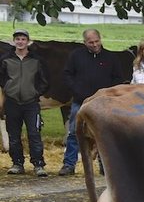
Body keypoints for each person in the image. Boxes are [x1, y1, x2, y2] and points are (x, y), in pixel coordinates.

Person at [59, 28, 126, 175]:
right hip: (80, 101)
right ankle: (69, 164)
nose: (95, 45)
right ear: (84, 42)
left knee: (104, 134)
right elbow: (67, 75)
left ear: (100, 39)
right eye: (91, 43)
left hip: (103, 103)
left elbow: (118, 78)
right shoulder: (76, 56)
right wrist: (77, 91)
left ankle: (105, 166)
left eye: (97, 41)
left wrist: (106, 93)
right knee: (74, 132)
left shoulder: (110, 57)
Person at [1, 30, 49, 177]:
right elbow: (1, 78)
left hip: (31, 104)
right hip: (12, 102)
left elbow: (45, 81)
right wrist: (9, 89)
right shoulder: (5, 60)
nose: (20, 42)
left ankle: (38, 164)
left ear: (28, 41)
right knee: (14, 135)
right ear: (13, 41)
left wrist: (36, 92)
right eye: (17, 39)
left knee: (34, 134)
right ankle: (17, 163)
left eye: (23, 39)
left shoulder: (36, 60)